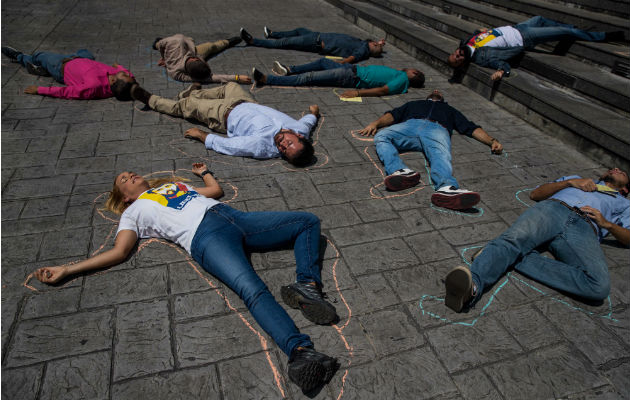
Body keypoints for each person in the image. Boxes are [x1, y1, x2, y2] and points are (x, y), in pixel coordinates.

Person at [32, 163, 340, 392]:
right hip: (206, 238)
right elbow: (120, 251)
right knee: (252, 289)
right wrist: (68, 269)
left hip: (233, 216)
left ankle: (307, 285)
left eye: (130, 173)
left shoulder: (173, 185)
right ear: (124, 197)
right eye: (123, 180)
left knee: (306, 222)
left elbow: (215, 192)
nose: (130, 176)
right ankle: (299, 352)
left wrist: (205, 172)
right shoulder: (133, 212)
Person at [443, 168, 630, 312]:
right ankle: (471, 289)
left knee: (599, 286)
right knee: (513, 240)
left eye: (622, 171)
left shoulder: (624, 203)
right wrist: (570, 183)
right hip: (554, 209)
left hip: (586, 228)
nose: (616, 169)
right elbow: (536, 194)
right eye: (613, 168)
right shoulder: (578, 179)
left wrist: (607, 225)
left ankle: (500, 255)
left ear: (625, 188)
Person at [358, 90, 503, 210]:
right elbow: (394, 114)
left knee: (440, 154)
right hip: (411, 125)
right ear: (427, 97)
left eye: (439, 92)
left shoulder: (449, 110)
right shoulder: (415, 104)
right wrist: (375, 124)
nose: (436, 91)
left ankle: (447, 188)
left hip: (437, 128)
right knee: (382, 136)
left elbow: (470, 127)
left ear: (442, 99)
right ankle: (400, 171)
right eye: (433, 91)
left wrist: (491, 141)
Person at [130, 82, 318, 167]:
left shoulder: (263, 146)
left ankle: (151, 100)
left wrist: (202, 136)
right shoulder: (301, 129)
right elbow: (307, 123)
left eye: (284, 151)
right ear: (299, 136)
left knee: (186, 107)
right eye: (289, 144)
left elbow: (230, 146)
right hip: (244, 101)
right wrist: (313, 113)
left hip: (221, 114)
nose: (282, 146)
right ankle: (191, 94)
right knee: (230, 86)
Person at [446, 16, 624, 81]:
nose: (458, 54)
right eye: (458, 59)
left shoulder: (466, 42)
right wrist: (502, 72)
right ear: (463, 63)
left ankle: (572, 29)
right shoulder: (482, 57)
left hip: (517, 27)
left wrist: (481, 32)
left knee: (541, 18)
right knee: (564, 32)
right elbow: (500, 63)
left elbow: (481, 35)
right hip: (524, 37)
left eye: (455, 54)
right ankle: (604, 36)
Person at [1, 46, 135, 100]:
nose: (125, 73)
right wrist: (120, 67)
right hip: (82, 59)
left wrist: (40, 89)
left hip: (61, 66)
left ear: (113, 81)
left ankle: (20, 57)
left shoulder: (92, 87)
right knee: (85, 51)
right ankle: (43, 68)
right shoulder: (121, 82)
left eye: (124, 75)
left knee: (39, 55)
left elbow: (67, 92)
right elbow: (129, 76)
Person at [252, 58, 425, 97]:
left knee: (309, 78)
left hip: (350, 76)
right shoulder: (401, 75)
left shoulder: (403, 80)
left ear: (414, 74)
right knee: (323, 61)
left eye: (413, 69)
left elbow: (383, 90)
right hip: (350, 69)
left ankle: (267, 79)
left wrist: (357, 94)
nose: (409, 68)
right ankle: (288, 70)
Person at [240, 26, 385, 64]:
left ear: (373, 49)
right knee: (299, 30)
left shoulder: (363, 49)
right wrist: (380, 42)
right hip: (317, 35)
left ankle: (253, 41)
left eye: (377, 45)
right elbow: (372, 41)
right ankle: (272, 33)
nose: (377, 43)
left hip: (316, 42)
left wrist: (343, 62)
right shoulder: (363, 43)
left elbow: (354, 57)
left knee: (284, 44)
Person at [153, 34, 252, 83]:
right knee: (159, 44)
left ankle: (228, 42)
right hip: (186, 49)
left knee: (210, 46)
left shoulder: (178, 42)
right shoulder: (176, 73)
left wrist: (237, 78)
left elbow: (161, 44)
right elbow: (211, 78)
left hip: (185, 47)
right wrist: (236, 77)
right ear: (196, 59)